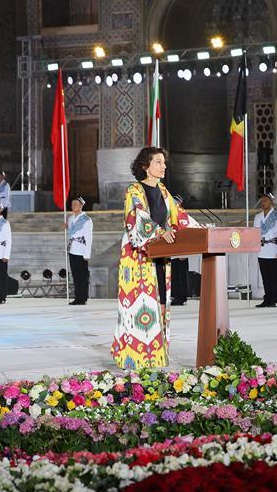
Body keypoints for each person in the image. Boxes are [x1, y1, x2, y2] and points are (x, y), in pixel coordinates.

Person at [112, 147, 199, 370]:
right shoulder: (134, 190)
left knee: (160, 302)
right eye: (158, 162)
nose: (164, 166)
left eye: (164, 162)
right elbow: (137, 217)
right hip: (138, 258)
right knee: (139, 306)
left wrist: (202, 231)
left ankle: (156, 354)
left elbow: (180, 216)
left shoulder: (162, 190)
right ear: (145, 166)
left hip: (160, 256)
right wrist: (161, 232)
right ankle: (134, 356)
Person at [253, 192, 277, 308]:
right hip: (262, 249)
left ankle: (274, 299)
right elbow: (255, 233)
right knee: (265, 276)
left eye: (265, 200)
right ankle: (266, 298)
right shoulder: (258, 217)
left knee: (273, 276)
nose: (263, 203)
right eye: (262, 201)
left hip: (273, 249)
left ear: (271, 202)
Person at [66, 196, 92, 305]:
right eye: (72, 204)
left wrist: (87, 253)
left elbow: (88, 237)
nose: (73, 206)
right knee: (75, 275)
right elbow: (72, 232)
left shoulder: (86, 220)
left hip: (81, 250)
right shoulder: (71, 218)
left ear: (81, 205)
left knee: (83, 275)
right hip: (72, 249)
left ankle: (83, 297)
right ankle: (77, 297)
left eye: (76, 204)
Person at [170, 195, 190, 306]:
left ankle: (180, 296)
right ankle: (179, 296)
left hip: (179, 245)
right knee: (177, 273)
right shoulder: (180, 211)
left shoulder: (178, 212)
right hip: (177, 246)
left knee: (179, 274)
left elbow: (182, 228)